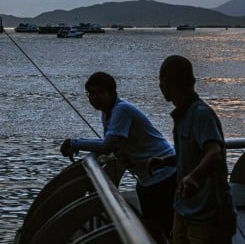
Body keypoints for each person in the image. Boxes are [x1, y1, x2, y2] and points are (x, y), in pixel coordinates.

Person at [60, 71, 177, 242]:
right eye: (91, 93)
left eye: (99, 92)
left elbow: (108, 146)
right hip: (147, 179)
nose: (94, 97)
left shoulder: (122, 110)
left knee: (168, 229)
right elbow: (109, 142)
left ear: (112, 93)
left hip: (164, 175)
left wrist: (75, 143)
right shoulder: (108, 113)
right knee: (154, 228)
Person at [148, 55, 236, 244]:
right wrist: (166, 162)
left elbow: (214, 153)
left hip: (207, 216)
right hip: (183, 210)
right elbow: (192, 155)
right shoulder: (182, 116)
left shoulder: (201, 115)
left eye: (161, 81)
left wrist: (194, 178)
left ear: (166, 84)